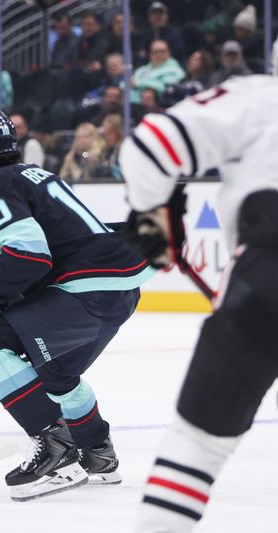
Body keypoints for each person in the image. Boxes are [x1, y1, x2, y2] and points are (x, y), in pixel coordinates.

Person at [0, 111, 153, 501]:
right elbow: (50, 247)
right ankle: (97, 453)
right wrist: (4, 287)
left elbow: (28, 258)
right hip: (118, 291)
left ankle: (54, 445)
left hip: (84, 290)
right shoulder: (35, 175)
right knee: (55, 375)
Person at [122, 75, 278, 532]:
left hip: (266, 281)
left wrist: (154, 212)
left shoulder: (262, 96)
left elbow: (149, 146)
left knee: (195, 449)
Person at [128, 39, 186, 104]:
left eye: (162, 51)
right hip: (135, 103)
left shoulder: (175, 70)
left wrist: (138, 83)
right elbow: (127, 84)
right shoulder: (141, 70)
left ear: (169, 53)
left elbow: (163, 87)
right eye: (155, 52)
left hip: (161, 105)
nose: (159, 55)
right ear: (150, 54)